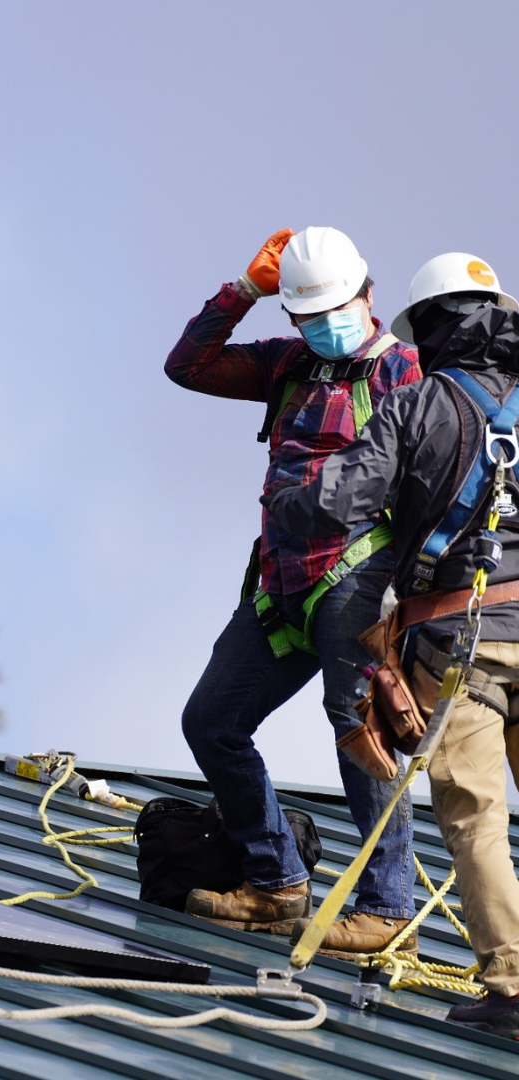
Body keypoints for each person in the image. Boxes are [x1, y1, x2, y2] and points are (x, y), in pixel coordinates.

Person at [267, 252, 519, 1035]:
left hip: (462, 639)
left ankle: (512, 988)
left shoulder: (424, 403)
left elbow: (338, 500)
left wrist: (293, 496)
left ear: (433, 326)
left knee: (475, 814)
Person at [164, 226, 421, 955]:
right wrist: (243, 291)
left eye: (338, 308)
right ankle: (276, 882)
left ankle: (387, 910)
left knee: (358, 730)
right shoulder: (288, 364)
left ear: (369, 295)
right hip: (281, 583)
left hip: (359, 576)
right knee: (212, 720)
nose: (327, 325)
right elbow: (188, 366)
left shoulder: (406, 370)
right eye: (309, 314)